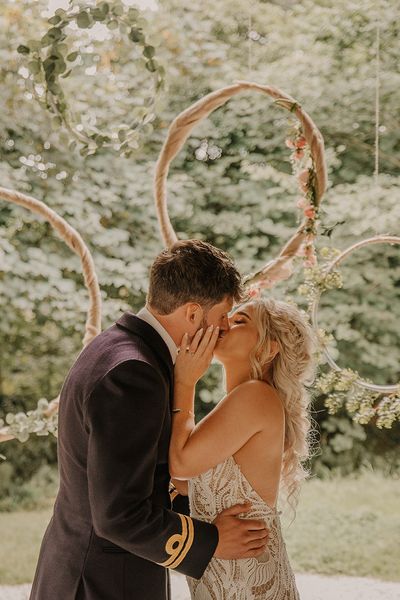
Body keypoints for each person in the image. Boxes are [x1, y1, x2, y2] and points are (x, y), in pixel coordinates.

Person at [30, 239, 269, 600]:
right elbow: (118, 514)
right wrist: (211, 541)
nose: (222, 329)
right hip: (102, 583)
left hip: (85, 571)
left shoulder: (117, 347)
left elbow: (137, 475)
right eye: (221, 317)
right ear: (191, 313)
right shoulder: (133, 375)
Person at [169, 298, 316, 599]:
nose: (224, 324)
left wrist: (185, 383)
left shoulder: (255, 396)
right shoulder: (240, 401)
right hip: (223, 579)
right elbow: (186, 484)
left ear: (270, 348)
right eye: (228, 317)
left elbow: (181, 464)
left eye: (240, 321)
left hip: (249, 583)